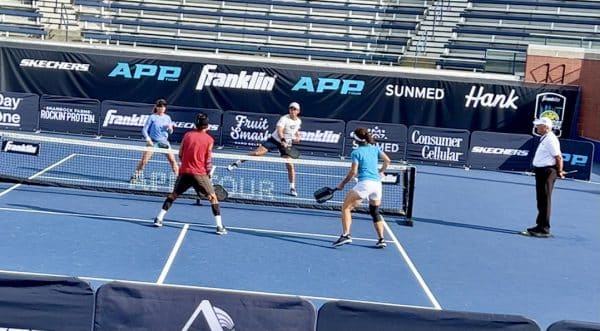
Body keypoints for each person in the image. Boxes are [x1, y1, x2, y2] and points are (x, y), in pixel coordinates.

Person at [153, 113, 226, 234]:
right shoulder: (209, 140)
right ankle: (219, 227)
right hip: (200, 174)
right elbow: (208, 160)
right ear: (207, 126)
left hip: (185, 171)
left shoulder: (187, 135)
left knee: (173, 195)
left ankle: (159, 218)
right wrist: (207, 173)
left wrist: (187, 164)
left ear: (196, 125)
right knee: (213, 197)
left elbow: (181, 154)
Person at [332, 127, 391, 248]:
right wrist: (381, 171)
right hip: (377, 185)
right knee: (375, 211)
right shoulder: (375, 149)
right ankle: (381, 239)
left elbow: (353, 172)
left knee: (346, 208)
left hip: (365, 184)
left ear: (356, 140)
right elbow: (387, 160)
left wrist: (342, 184)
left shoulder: (356, 152)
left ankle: (346, 235)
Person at [227, 102, 302, 197]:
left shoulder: (298, 121)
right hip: (274, 141)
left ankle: (292, 188)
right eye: (291, 108)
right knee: (257, 153)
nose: (292, 110)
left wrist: (298, 136)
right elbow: (279, 130)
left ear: (298, 111)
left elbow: (296, 130)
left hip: (286, 145)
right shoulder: (284, 119)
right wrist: (282, 140)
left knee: (290, 166)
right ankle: (236, 163)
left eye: (294, 109)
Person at [522, 117, 566, 238]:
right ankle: (539, 225)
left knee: (545, 200)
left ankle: (544, 229)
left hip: (547, 172)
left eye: (539, 125)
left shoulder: (551, 139)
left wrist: (560, 171)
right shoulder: (546, 138)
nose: (536, 127)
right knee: (541, 200)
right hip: (542, 171)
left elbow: (558, 157)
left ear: (546, 127)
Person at [130, 99, 179, 183]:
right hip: (153, 143)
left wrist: (170, 128)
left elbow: (170, 132)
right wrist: (148, 139)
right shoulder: (152, 117)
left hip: (164, 143)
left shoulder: (168, 118)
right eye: (160, 106)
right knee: (144, 161)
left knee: (172, 161)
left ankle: (179, 180)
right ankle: (135, 176)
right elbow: (144, 130)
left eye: (163, 107)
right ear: (157, 107)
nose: (162, 108)